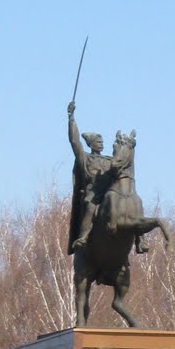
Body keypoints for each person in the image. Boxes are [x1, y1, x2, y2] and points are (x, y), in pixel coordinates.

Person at [67, 100, 112, 252]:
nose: (101, 144)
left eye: (102, 141)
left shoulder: (110, 160)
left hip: (108, 195)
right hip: (92, 194)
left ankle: (139, 236)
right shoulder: (85, 159)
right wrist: (71, 118)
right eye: (98, 142)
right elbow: (74, 141)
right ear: (91, 144)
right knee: (91, 205)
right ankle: (83, 236)